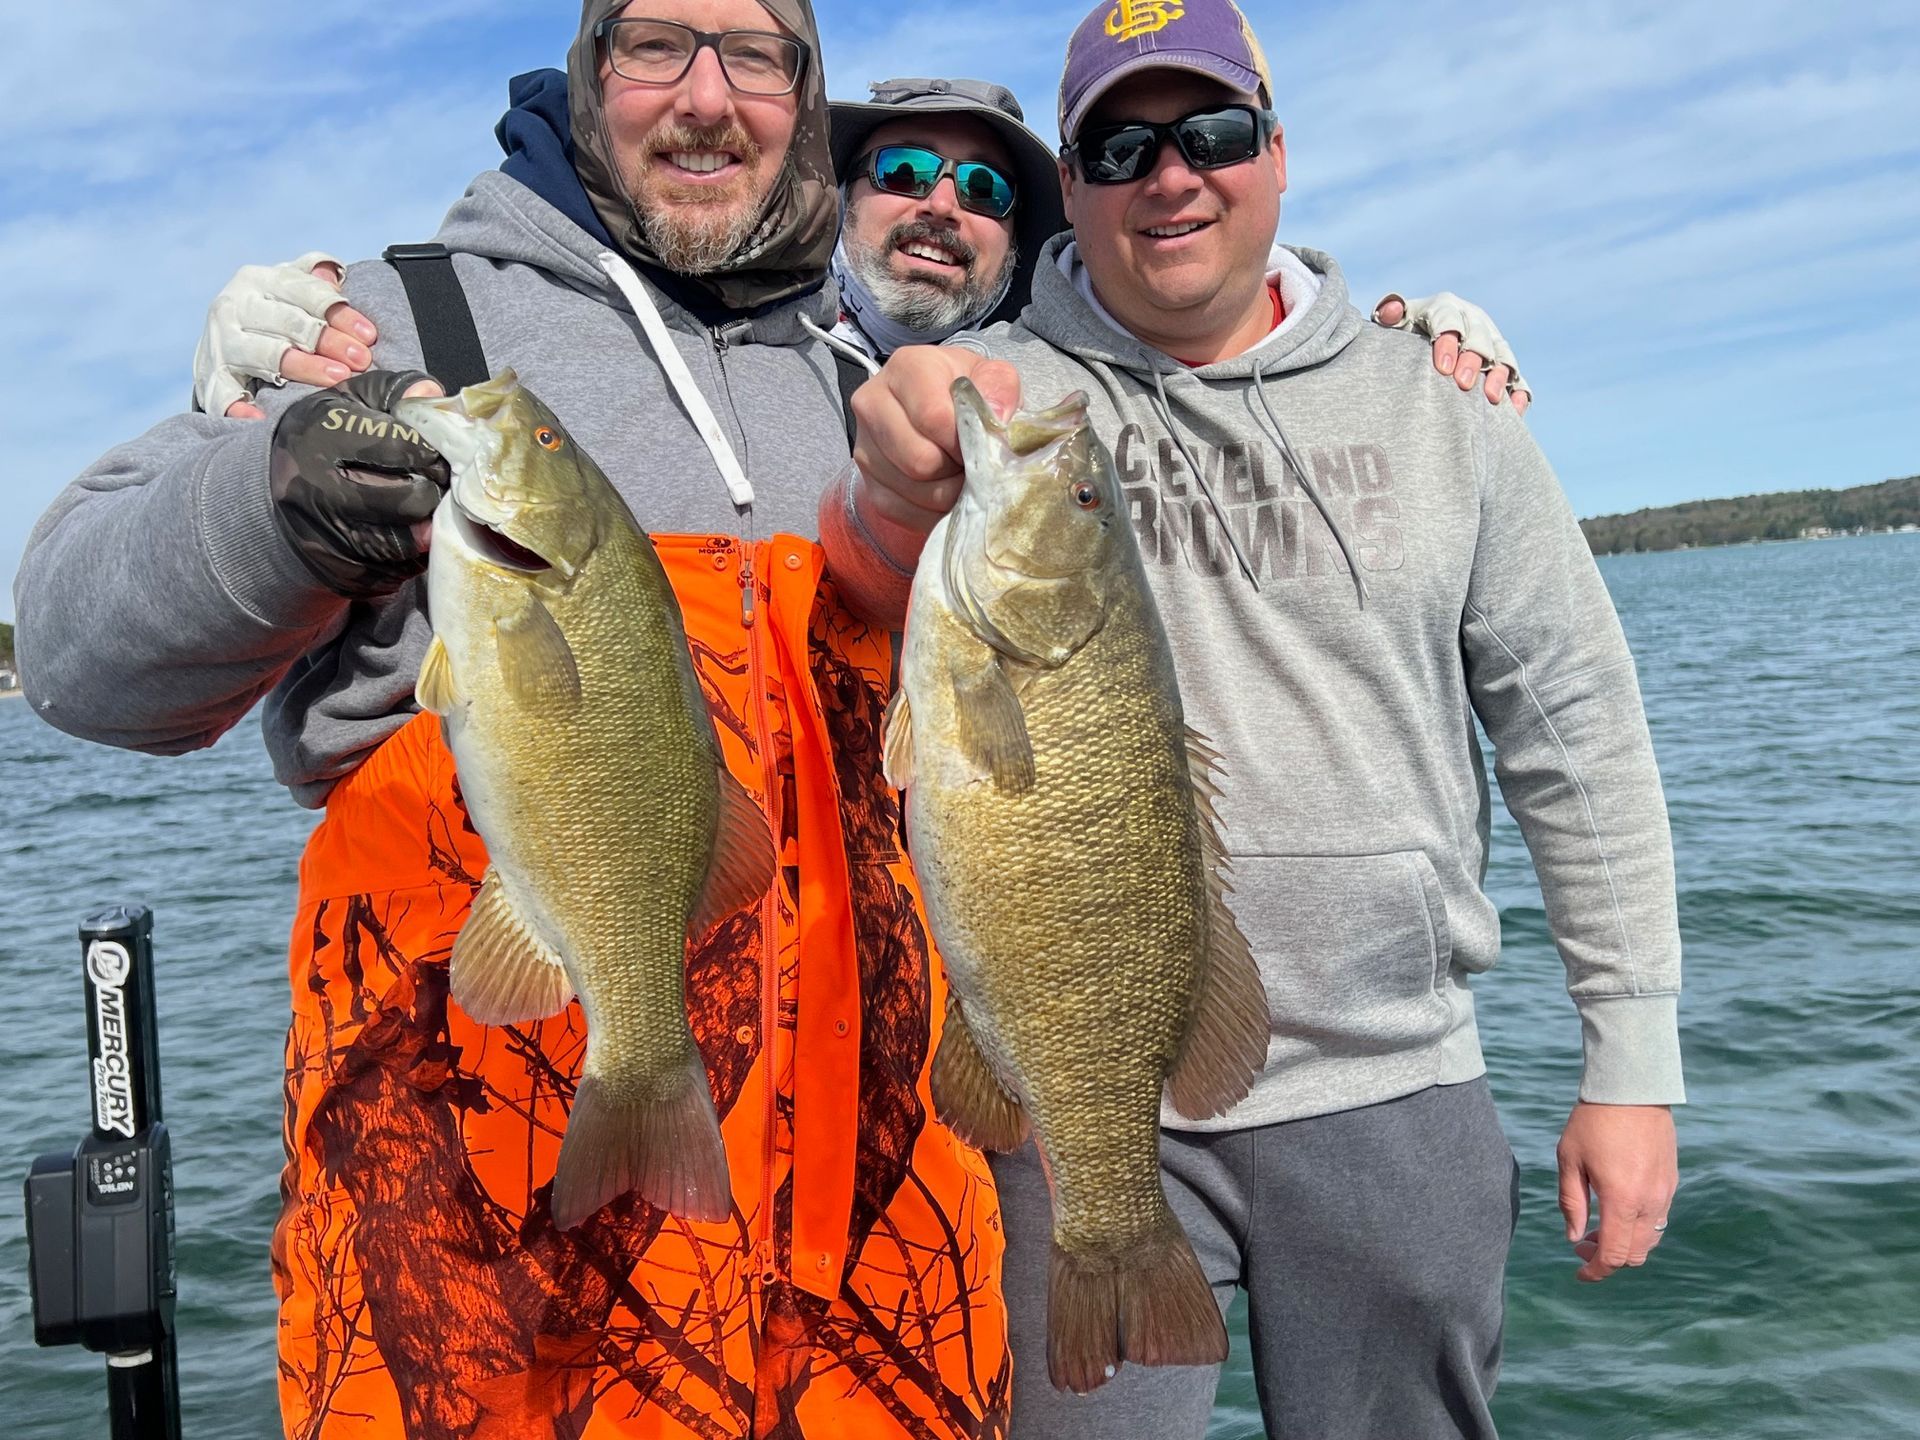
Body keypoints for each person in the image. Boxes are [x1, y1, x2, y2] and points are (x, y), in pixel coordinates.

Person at [17, 5, 1019, 1436]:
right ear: (581, 73)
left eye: (756, 58)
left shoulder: (862, 387)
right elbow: (70, 647)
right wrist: (274, 502)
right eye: (656, 47)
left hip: (871, 1298)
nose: (706, 99)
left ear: (807, 104)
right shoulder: (386, 324)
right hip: (481, 1275)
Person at [832, 2, 1683, 1436]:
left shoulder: (1444, 404)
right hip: (1072, 1109)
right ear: (1078, 188)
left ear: (1278, 159)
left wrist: (1633, 1062)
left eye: (1212, 134)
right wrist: (889, 454)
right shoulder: (1001, 400)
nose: (1172, 175)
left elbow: (1577, 732)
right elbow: (845, 443)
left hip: (1391, 1081)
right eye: (1121, 145)